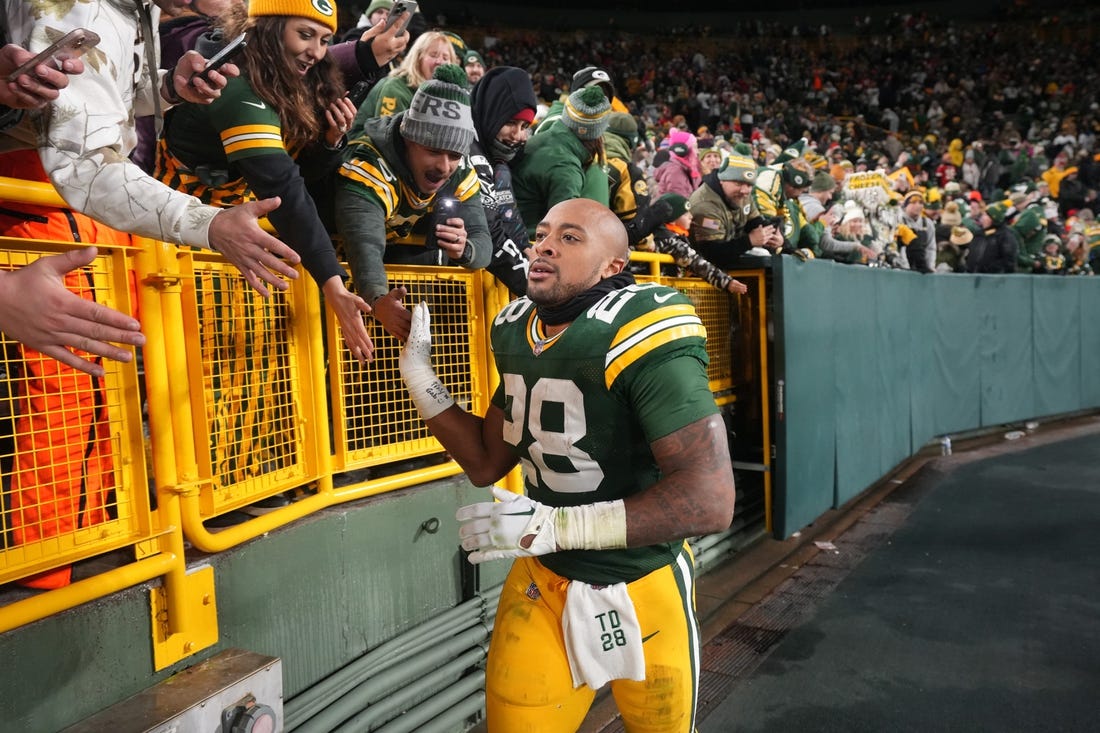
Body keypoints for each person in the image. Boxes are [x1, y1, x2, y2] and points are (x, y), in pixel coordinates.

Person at [398, 197, 736, 732]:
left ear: (613, 267)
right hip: (544, 580)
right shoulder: (513, 328)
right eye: (542, 233)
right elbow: (487, 462)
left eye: (571, 237)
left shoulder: (641, 328)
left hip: (642, 580)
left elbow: (710, 499)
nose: (545, 244)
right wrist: (420, 376)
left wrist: (555, 525)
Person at [1, 0, 301, 296]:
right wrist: (210, 224)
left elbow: (118, 93)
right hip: (40, 192)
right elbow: (84, 163)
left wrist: (169, 86)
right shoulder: (80, 11)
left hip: (97, 195)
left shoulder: (147, 4)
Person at [154, 0, 374, 362]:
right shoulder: (239, 85)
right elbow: (283, 189)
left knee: (248, 371)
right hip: (181, 241)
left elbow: (296, 176)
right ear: (269, 27)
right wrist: (333, 283)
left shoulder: (290, 83)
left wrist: (329, 142)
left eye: (324, 39)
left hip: (229, 237)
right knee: (202, 370)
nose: (316, 52)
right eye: (305, 35)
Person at [334, 64, 491, 341]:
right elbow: (364, 242)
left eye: (454, 154)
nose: (444, 167)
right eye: (433, 151)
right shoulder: (369, 163)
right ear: (408, 139)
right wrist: (377, 297)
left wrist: (464, 249)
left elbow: (483, 243)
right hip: (329, 269)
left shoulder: (461, 169)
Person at [468, 65, 538, 296]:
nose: (518, 136)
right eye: (510, 123)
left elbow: (507, 215)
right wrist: (533, 284)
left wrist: (526, 250)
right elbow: (489, 227)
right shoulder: (465, 148)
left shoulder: (498, 162)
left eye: (525, 126)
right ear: (491, 113)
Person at [512, 85, 612, 239]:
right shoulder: (566, 168)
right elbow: (564, 230)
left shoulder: (540, 141)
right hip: (530, 247)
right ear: (597, 133)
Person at [688, 150, 782, 268]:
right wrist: (749, 241)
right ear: (722, 180)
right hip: (702, 271)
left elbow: (755, 223)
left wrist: (776, 238)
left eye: (749, 185)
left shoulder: (742, 195)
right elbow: (711, 253)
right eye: (738, 183)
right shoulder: (705, 205)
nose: (744, 191)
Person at [641, 193, 749, 294]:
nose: (690, 216)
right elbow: (697, 263)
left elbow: (706, 224)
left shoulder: (659, 233)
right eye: (685, 214)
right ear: (672, 220)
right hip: (660, 294)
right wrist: (726, 282)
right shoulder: (669, 240)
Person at [358, 29, 457, 119]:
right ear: (417, 58)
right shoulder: (396, 87)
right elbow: (384, 132)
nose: (439, 61)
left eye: (445, 58)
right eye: (433, 55)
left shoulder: (446, 93)